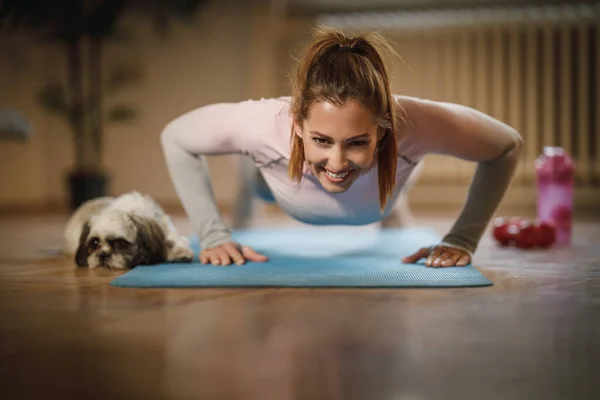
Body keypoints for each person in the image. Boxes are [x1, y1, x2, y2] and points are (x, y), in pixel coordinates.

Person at [160, 27, 523, 268]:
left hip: (382, 193)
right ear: (298, 125)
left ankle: (393, 205)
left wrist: (463, 239)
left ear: (381, 129)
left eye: (356, 142)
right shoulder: (265, 122)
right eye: (321, 140)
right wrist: (213, 234)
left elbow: (506, 146)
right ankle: (250, 194)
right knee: (250, 166)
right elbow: (176, 136)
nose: (336, 161)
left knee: (392, 169)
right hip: (275, 184)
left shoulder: (412, 120)